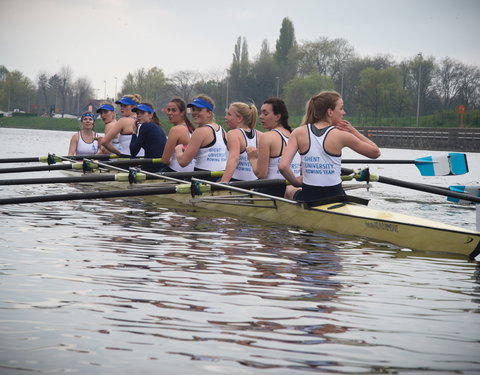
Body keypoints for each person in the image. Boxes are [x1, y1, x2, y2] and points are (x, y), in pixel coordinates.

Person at [279, 91, 381, 201]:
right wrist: (353, 131)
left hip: (308, 196)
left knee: (289, 190)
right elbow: (375, 153)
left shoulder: (298, 132)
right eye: (341, 108)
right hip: (335, 195)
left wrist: (296, 182)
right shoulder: (342, 135)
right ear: (330, 112)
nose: (344, 112)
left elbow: (283, 166)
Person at [247, 97, 300, 197]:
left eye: (265, 113)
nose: (261, 117)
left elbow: (261, 174)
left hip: (272, 190)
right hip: (293, 187)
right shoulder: (295, 134)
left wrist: (252, 158)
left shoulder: (267, 137)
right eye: (261, 113)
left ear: (277, 117)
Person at [175, 95, 228, 181]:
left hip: (203, 178)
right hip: (221, 177)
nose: (194, 113)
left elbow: (183, 162)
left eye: (199, 110)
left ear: (209, 113)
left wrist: (178, 149)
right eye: (193, 110)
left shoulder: (200, 131)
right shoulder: (223, 131)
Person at [219, 102, 259, 183]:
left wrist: (223, 182)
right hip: (256, 183)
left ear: (239, 118)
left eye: (229, 114)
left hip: (237, 183)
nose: (225, 117)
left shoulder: (233, 133)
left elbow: (234, 158)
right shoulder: (261, 135)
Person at [160, 98, 196, 173]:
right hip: (191, 172)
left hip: (176, 172)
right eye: (168, 110)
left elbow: (165, 160)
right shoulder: (191, 128)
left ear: (182, 112)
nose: (169, 113)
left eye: (173, 110)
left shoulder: (175, 129)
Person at [130, 102, 167, 172]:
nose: (139, 115)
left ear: (151, 115)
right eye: (137, 113)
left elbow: (133, 152)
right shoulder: (157, 127)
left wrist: (134, 132)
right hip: (160, 166)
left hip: (153, 168)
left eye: (142, 113)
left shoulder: (145, 126)